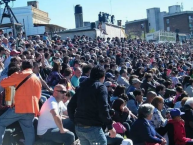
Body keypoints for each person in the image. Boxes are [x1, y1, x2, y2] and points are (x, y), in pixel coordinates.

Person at [68, 66, 116, 145]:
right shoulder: (101, 87)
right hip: (93, 128)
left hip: (79, 127)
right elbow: (103, 109)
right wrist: (110, 127)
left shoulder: (82, 86)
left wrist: (75, 120)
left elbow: (71, 106)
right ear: (103, 77)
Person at [0, 61, 42, 145]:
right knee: (29, 132)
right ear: (32, 68)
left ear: (22, 67)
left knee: (1, 123)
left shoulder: (19, 74)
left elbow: (3, 83)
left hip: (18, 108)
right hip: (31, 109)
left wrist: (14, 77)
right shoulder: (36, 78)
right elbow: (38, 96)